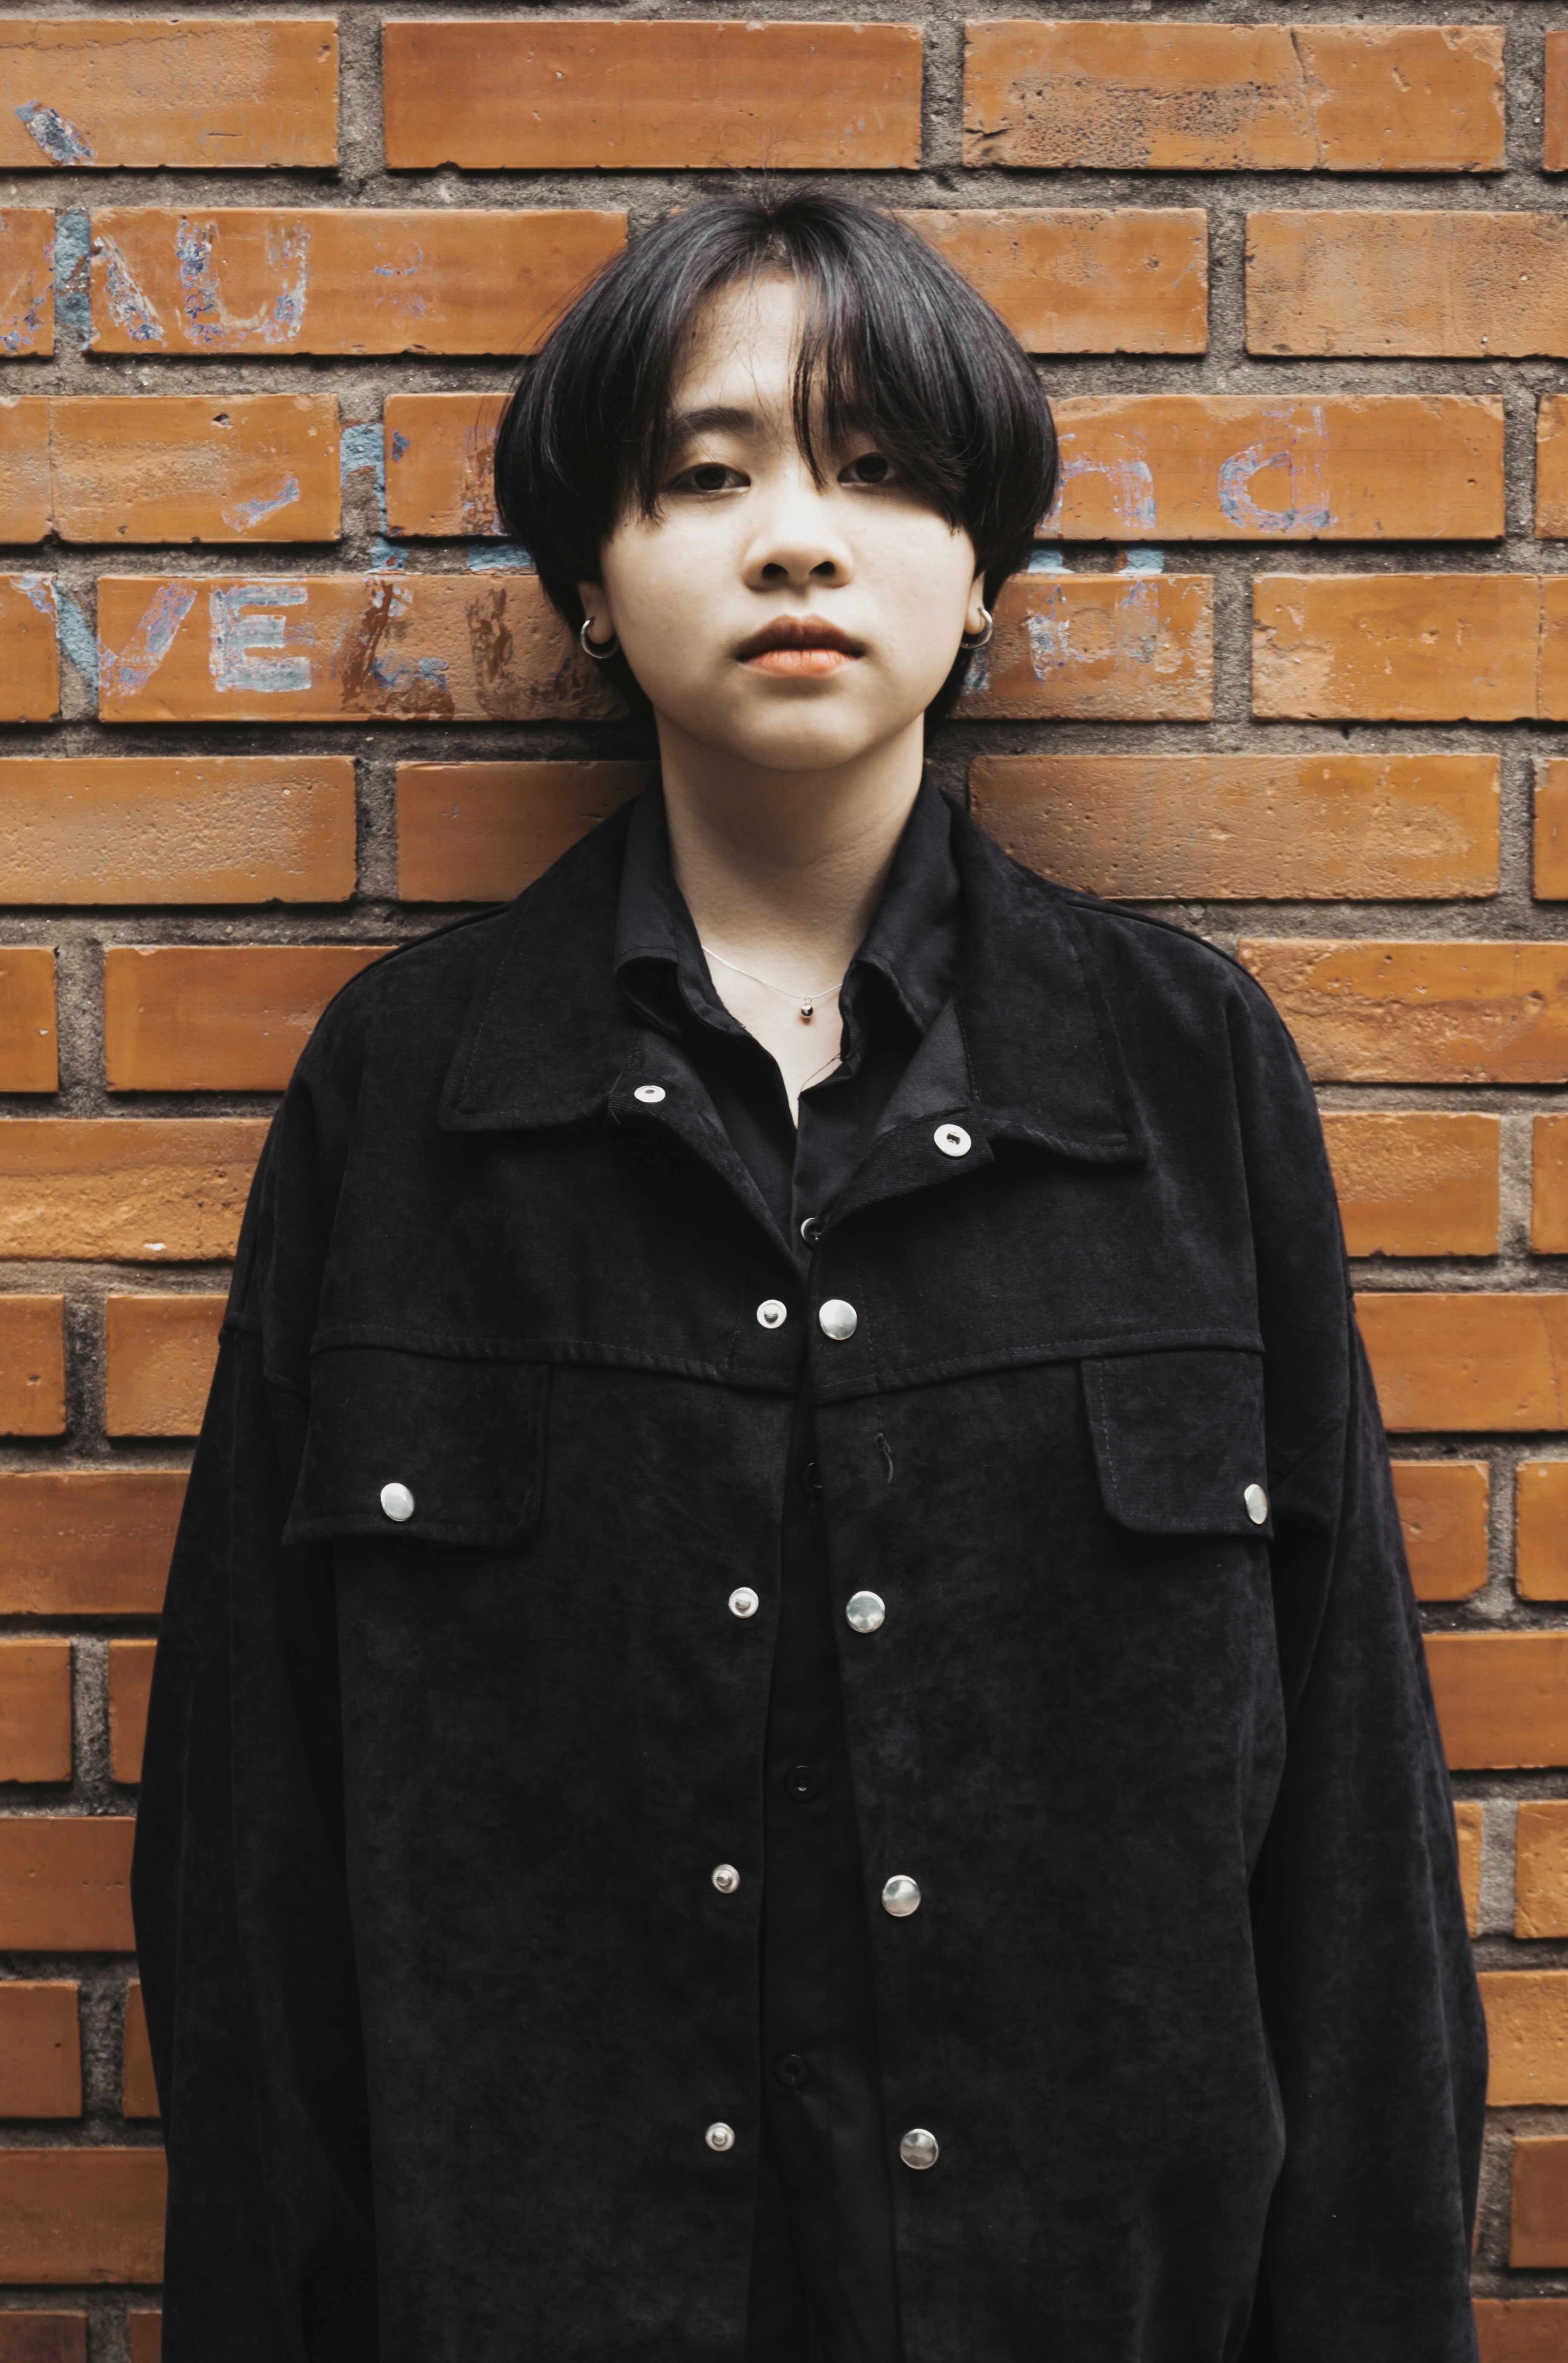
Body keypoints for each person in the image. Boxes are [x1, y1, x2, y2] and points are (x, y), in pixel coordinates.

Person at [132, 190, 1485, 2363]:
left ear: (980, 573)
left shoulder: (1180, 1076)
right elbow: (248, 1853)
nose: (793, 537)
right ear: (590, 573)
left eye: (876, 468)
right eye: (705, 471)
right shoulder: (409, 1094)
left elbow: (1347, 1841)